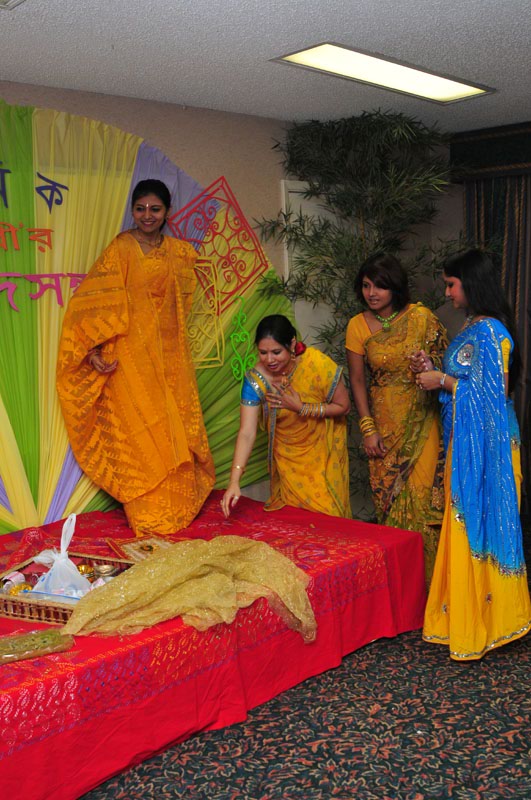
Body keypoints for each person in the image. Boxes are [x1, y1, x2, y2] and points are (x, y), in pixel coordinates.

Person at [57, 179, 215, 536]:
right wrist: (93, 352)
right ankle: (148, 513)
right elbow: (93, 304)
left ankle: (178, 507)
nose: (147, 215)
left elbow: (180, 308)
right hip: (130, 361)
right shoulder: (121, 249)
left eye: (155, 209)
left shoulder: (180, 253)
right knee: (138, 436)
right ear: (132, 211)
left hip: (172, 359)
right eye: (140, 208)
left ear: (167, 212)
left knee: (174, 430)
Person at [417, 249, 531, 660]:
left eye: (451, 284)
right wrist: (433, 370)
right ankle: (468, 617)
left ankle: (490, 622)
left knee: (482, 523)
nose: (448, 293)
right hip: (468, 445)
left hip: (490, 449)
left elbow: (493, 397)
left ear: (471, 283)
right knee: (467, 522)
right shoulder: (472, 326)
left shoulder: (491, 332)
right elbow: (470, 382)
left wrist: (443, 381)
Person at [346, 253, 448, 583]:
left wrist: (427, 364)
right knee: (391, 505)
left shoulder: (421, 317)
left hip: (422, 421)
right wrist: (367, 428)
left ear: (395, 287)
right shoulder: (357, 325)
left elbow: (448, 363)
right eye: (366, 286)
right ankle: (404, 589)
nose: (372, 293)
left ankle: (435, 588)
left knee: (424, 502)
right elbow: (357, 380)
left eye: (379, 286)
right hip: (384, 426)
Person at [221, 315, 351, 519]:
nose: (269, 360)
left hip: (322, 459)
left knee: (329, 522)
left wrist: (302, 408)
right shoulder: (256, 380)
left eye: (276, 352)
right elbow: (246, 432)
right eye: (263, 353)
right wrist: (234, 481)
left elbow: (344, 407)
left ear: (291, 344)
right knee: (296, 524)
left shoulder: (316, 364)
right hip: (288, 463)